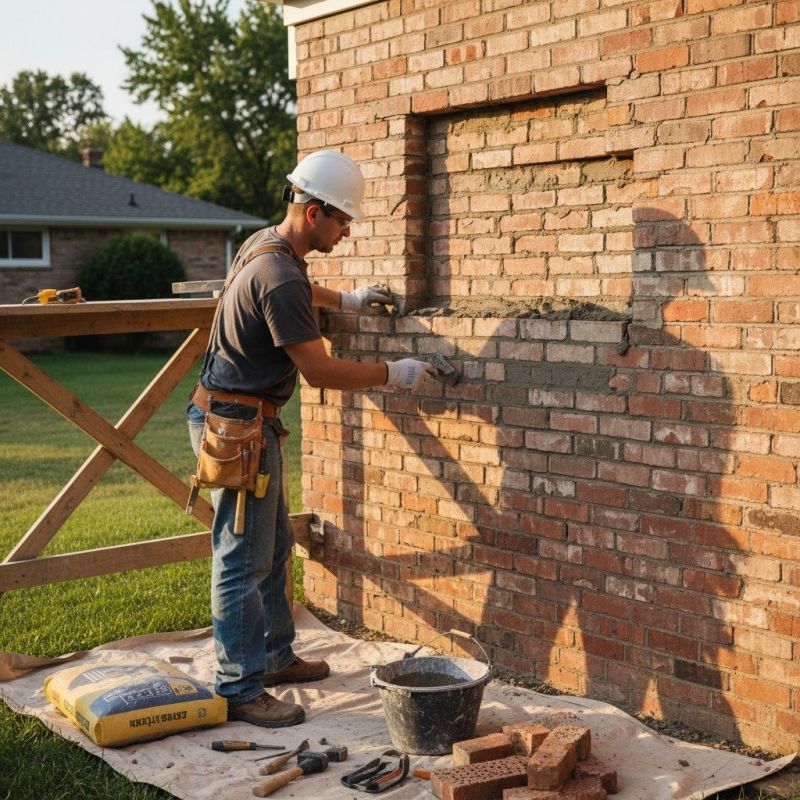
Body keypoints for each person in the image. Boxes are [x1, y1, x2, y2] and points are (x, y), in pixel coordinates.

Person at [187, 150, 434, 728]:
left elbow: (297, 290)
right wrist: (390, 374)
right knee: (241, 560)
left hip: (243, 419)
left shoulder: (267, 248)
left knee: (272, 548)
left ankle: (272, 657)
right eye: (343, 221)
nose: (346, 232)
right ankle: (238, 685)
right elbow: (320, 371)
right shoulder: (277, 274)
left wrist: (344, 299)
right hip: (236, 428)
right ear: (315, 211)